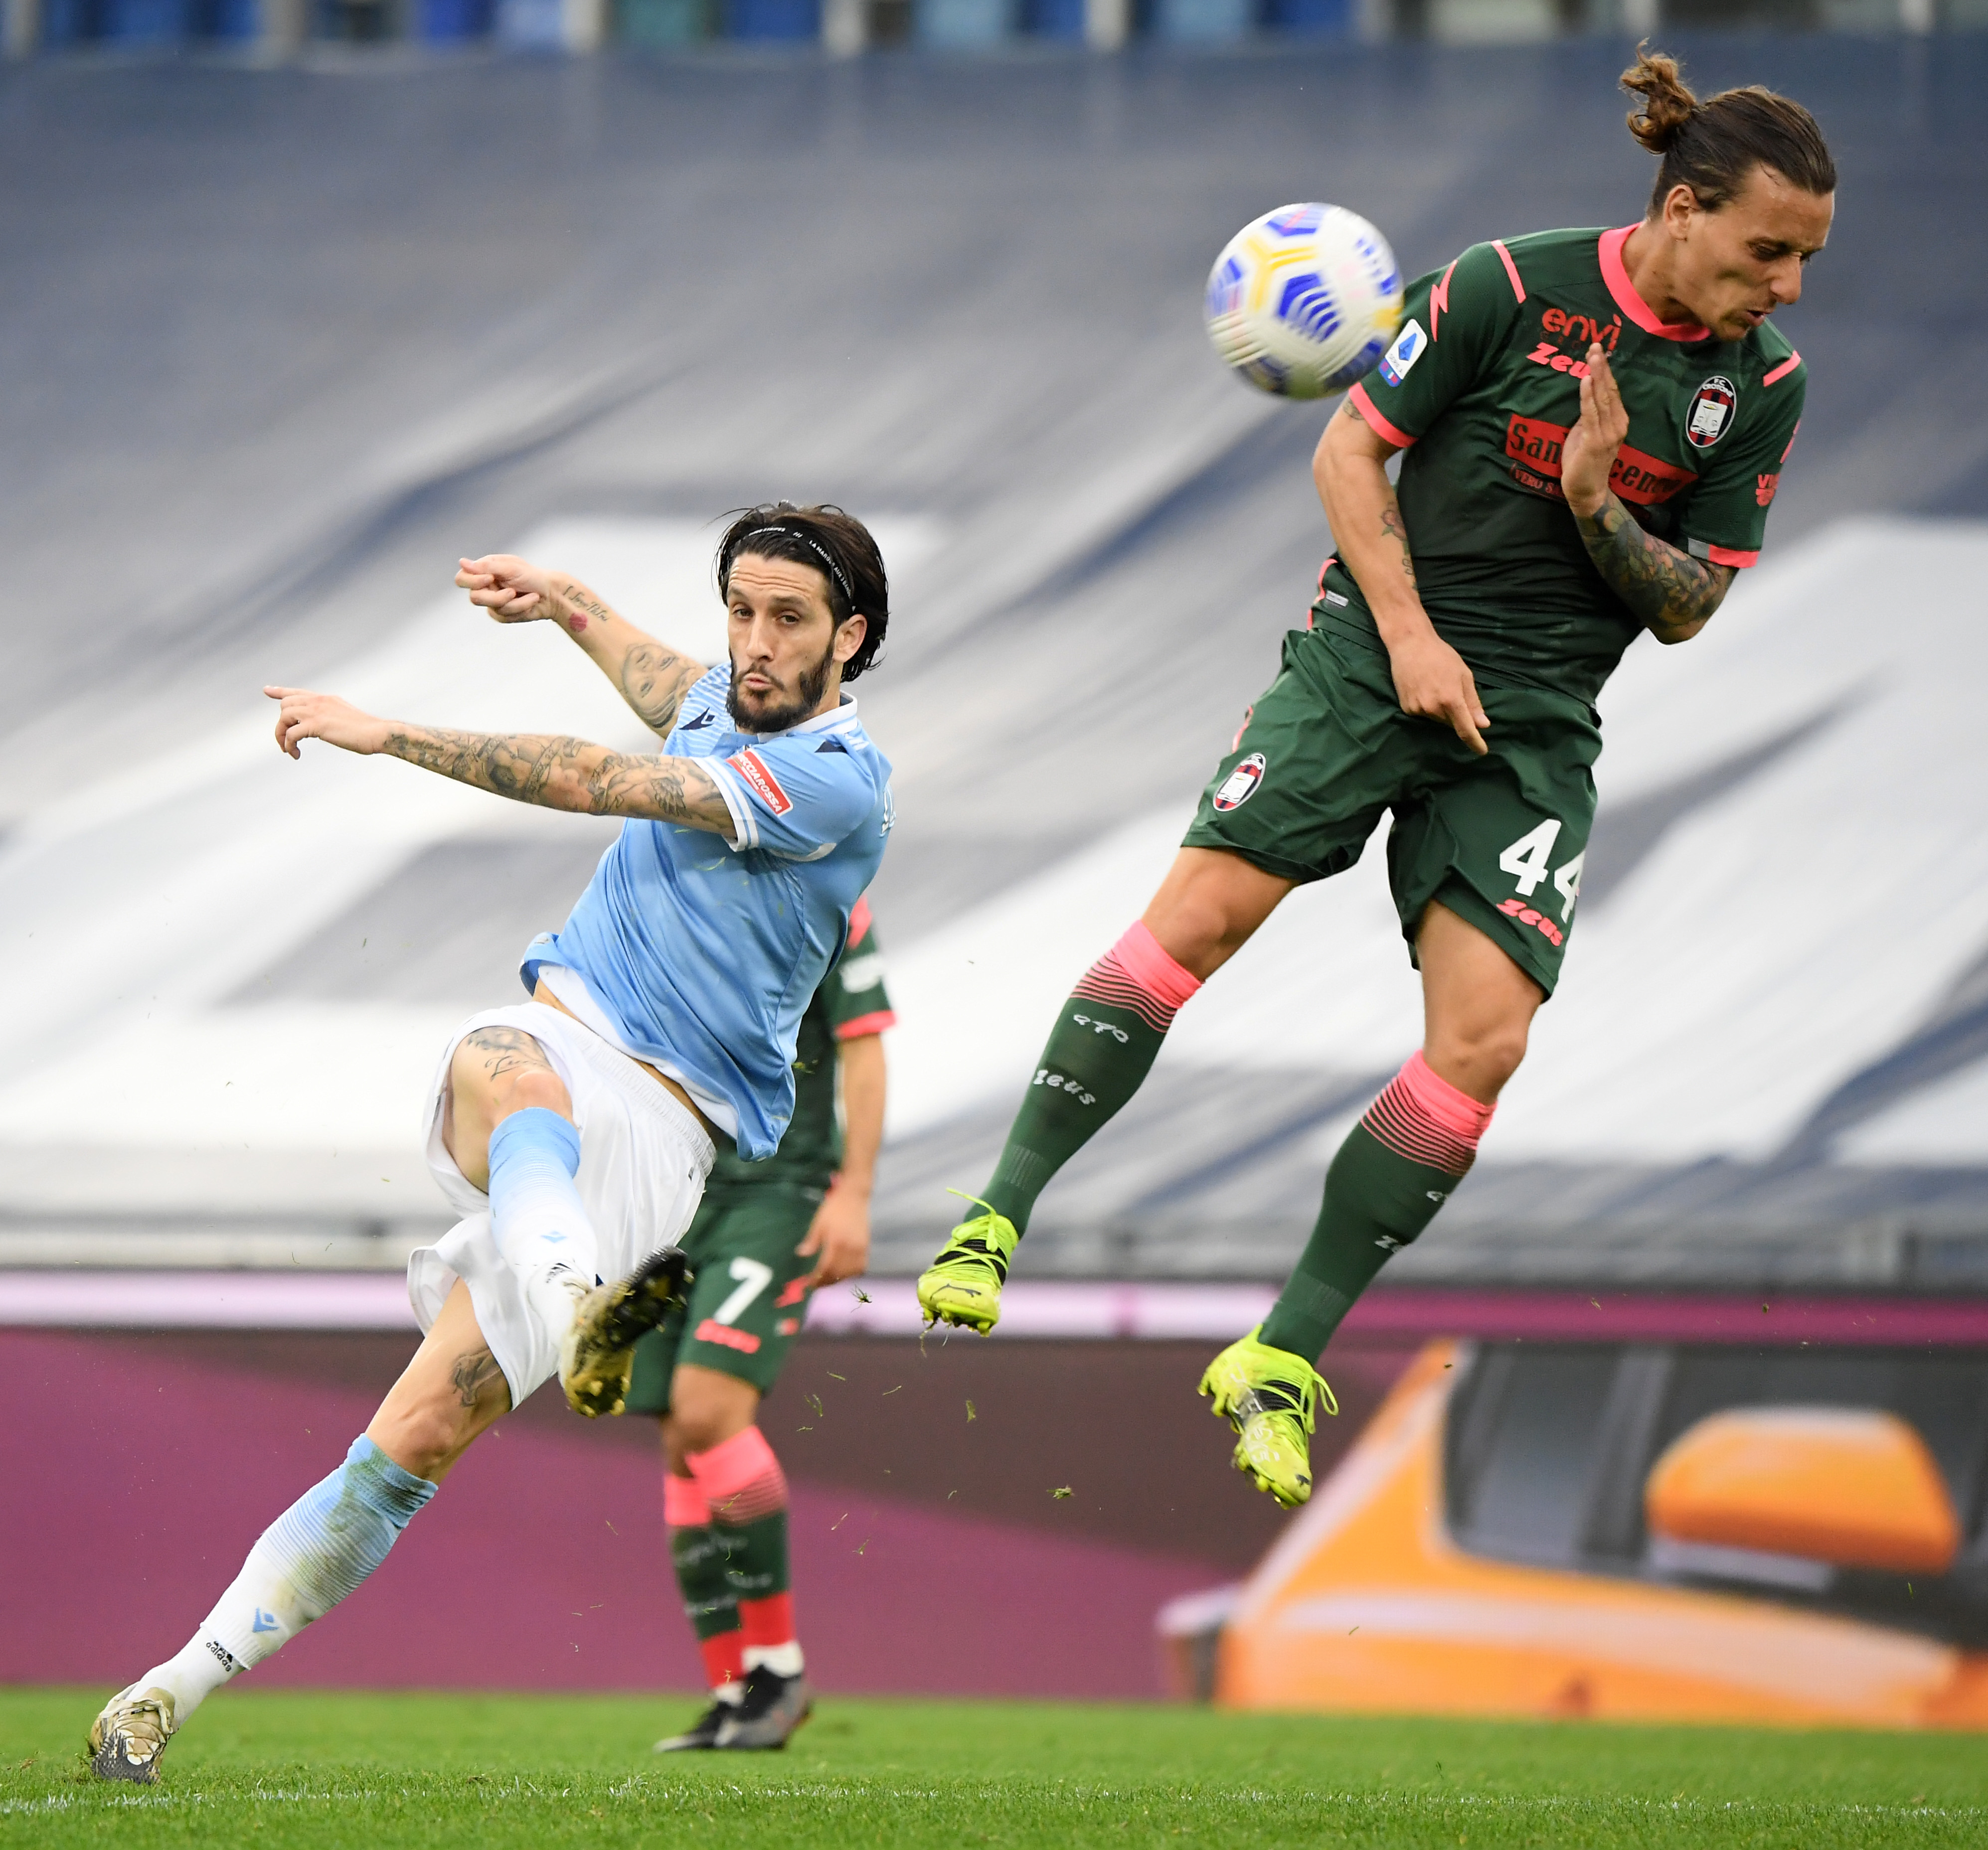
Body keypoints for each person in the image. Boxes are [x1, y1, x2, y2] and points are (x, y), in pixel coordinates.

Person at [918, 49, 1833, 1509]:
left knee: (1482, 1045)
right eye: (1764, 251)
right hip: (1372, 655)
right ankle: (994, 1216)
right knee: (1199, 920)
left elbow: (1687, 605)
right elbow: (1349, 458)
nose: (1782, 286)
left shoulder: (1760, 386)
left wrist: (1595, 502)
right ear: (1681, 209)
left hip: (1532, 721)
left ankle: (1277, 1355)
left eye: (1802, 262)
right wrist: (1409, 638)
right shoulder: (1505, 288)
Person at [89, 503, 894, 1783]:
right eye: (739, 608)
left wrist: (388, 732)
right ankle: (161, 1696)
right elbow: (650, 669)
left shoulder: (839, 777)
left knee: (412, 1443)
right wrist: (564, 598)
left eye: (786, 618)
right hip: (563, 1059)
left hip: (662, 1148)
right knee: (504, 1063)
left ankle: (180, 1674)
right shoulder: (717, 698)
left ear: (848, 637)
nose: (753, 639)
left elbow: (591, 779)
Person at [635, 898, 893, 1753]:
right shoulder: (649, 886)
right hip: (674, 1190)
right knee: (681, 1439)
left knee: (708, 1411)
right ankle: (734, 1690)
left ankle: (779, 1670)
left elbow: (864, 1043)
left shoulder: (828, 896)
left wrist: (854, 1193)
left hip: (776, 1191)